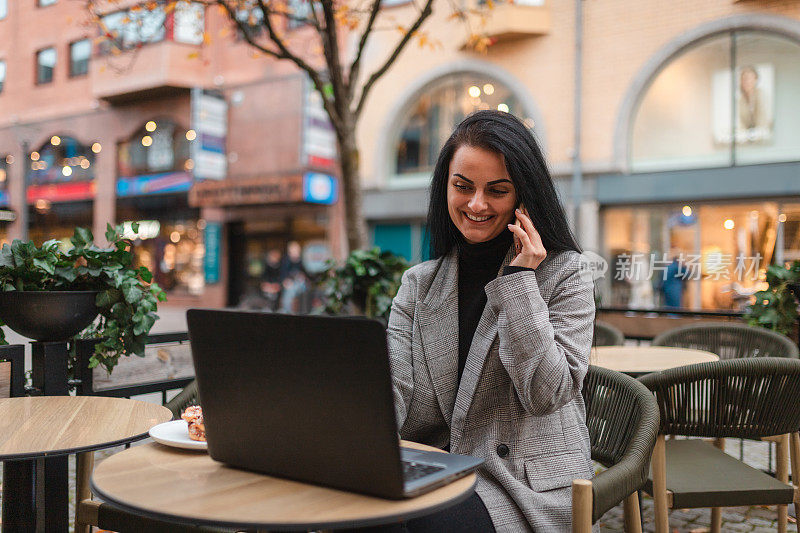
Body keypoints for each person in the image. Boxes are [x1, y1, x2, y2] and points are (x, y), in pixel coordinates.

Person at [381, 111, 595, 532]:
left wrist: (520, 281)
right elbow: (393, 386)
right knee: (360, 516)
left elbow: (547, 393)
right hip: (432, 467)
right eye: (463, 187)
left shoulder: (566, 272)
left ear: (523, 197)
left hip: (522, 483)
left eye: (496, 191)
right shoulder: (420, 284)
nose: (476, 205)